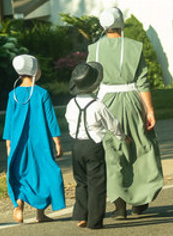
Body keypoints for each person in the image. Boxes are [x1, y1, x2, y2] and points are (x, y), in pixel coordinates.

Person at [88, 7, 163, 219]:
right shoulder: (133, 47)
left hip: (105, 103)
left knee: (112, 152)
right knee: (140, 147)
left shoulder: (94, 49)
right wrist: (149, 110)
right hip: (132, 101)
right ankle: (140, 201)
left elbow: (90, 81)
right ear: (121, 24)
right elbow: (142, 80)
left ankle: (118, 205)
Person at [2, 54, 65, 224]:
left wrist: (8, 143)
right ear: (35, 71)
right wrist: (57, 142)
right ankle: (40, 213)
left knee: (21, 172)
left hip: (17, 142)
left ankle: (19, 206)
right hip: (41, 142)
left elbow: (9, 121)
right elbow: (50, 119)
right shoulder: (42, 93)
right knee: (43, 173)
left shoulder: (13, 95)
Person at [66, 62, 128, 229]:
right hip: (93, 146)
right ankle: (94, 221)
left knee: (81, 182)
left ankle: (81, 216)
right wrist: (122, 137)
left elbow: (69, 122)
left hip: (76, 145)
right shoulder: (98, 105)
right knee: (97, 184)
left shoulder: (71, 104)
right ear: (94, 85)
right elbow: (112, 124)